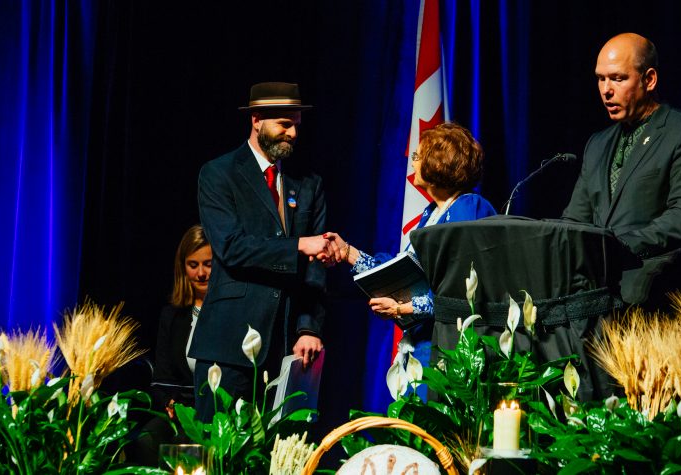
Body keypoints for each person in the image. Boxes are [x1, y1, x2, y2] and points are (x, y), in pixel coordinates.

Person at [558, 33, 681, 399]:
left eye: (618, 78)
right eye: (601, 79)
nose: (606, 90)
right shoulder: (597, 143)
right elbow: (575, 220)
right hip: (592, 304)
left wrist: (613, 247)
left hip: (651, 301)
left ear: (649, 80)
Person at [188, 82, 338, 421]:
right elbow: (231, 248)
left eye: (297, 123)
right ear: (256, 120)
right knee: (221, 457)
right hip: (228, 346)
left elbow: (317, 267)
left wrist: (309, 328)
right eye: (284, 124)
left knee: (280, 458)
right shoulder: (219, 173)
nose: (293, 133)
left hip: (287, 348)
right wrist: (298, 245)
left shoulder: (308, 183)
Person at [326, 122, 496, 378]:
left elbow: (463, 291)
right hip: (423, 345)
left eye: (418, 156)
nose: (413, 162)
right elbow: (401, 271)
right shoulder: (432, 213)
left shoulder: (467, 208)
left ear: (438, 163)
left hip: (449, 348)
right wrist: (348, 252)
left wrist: (402, 308)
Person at [128, 224, 211, 465]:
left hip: (213, 411)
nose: (201, 273)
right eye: (193, 265)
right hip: (179, 409)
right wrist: (168, 402)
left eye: (208, 264)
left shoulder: (226, 313)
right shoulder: (172, 315)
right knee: (145, 440)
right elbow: (161, 375)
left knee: (186, 447)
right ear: (183, 268)